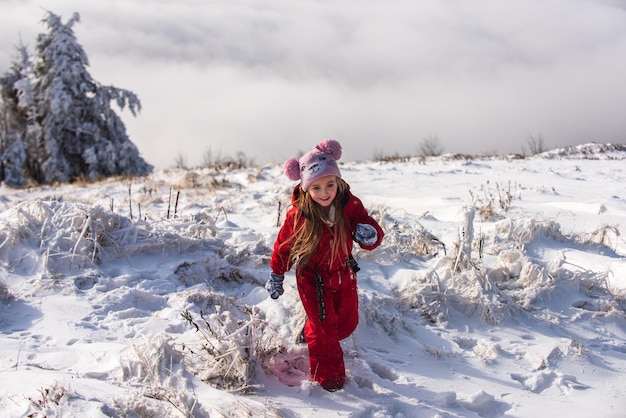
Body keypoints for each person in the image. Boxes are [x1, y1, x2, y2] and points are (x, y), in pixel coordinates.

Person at [265, 138, 384, 392]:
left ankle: (310, 330)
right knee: (325, 331)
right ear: (307, 188)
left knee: (346, 323)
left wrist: (370, 234)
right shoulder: (300, 214)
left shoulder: (347, 204)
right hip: (313, 277)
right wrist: (277, 273)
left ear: (338, 182)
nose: (324, 192)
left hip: (344, 271)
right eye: (316, 187)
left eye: (329, 184)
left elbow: (366, 223)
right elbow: (284, 245)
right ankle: (329, 381)